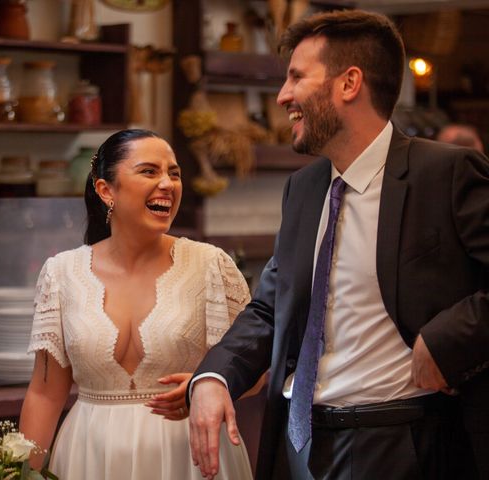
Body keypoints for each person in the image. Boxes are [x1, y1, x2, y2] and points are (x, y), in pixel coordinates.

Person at [188, 9, 489, 480]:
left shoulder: (447, 174)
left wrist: (449, 338)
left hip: (406, 445)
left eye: (296, 77)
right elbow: (271, 308)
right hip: (300, 444)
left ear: (349, 84)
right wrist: (214, 376)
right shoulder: (303, 189)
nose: (283, 95)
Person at [19, 129, 256, 479]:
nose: (167, 184)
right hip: (89, 457)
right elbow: (44, 394)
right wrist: (23, 473)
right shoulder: (61, 273)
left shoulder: (211, 266)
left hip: (189, 458)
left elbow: (257, 366)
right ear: (106, 190)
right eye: (149, 171)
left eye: (174, 174)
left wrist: (211, 381)